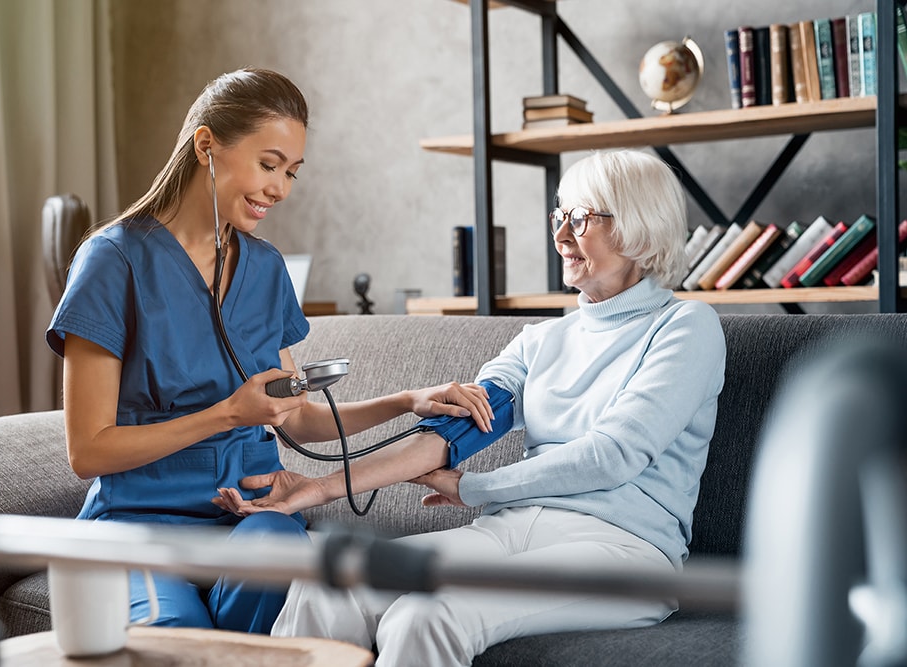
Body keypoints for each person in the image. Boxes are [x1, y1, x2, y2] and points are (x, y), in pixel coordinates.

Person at [214, 149, 727, 665]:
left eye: (580, 219)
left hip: (622, 548)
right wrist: (320, 488)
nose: (560, 235)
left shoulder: (684, 327)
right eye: (559, 216)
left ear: (639, 227)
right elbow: (446, 437)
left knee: (424, 617)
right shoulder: (540, 341)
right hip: (509, 530)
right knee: (331, 583)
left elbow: (612, 456)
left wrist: (474, 487)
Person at [45, 67, 493, 635]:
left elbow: (296, 419)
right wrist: (229, 414)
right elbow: (87, 451)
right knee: (175, 632)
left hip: (252, 517)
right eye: (268, 164)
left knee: (277, 549)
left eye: (291, 172)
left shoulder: (265, 268)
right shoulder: (113, 260)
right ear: (206, 146)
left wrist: (406, 401)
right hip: (138, 524)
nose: (280, 189)